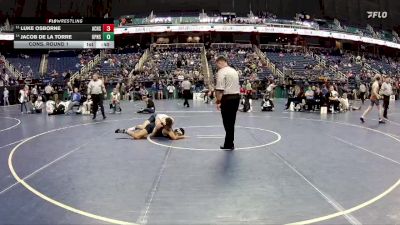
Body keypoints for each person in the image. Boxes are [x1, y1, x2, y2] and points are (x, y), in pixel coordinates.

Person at [215, 56, 240, 150]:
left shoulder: (221, 72)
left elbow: (219, 89)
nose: (217, 67)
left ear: (220, 62)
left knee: (227, 122)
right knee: (231, 122)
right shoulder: (234, 71)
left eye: (217, 64)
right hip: (236, 97)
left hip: (227, 98)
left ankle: (229, 143)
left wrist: (218, 101)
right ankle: (229, 143)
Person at [115, 114, 185, 140]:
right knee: (138, 135)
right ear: (164, 124)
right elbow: (153, 133)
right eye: (167, 127)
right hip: (152, 127)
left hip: (156, 126)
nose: (167, 128)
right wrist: (150, 135)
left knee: (137, 136)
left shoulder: (169, 129)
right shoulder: (159, 124)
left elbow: (174, 137)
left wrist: (182, 137)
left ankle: (125, 131)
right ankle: (129, 130)